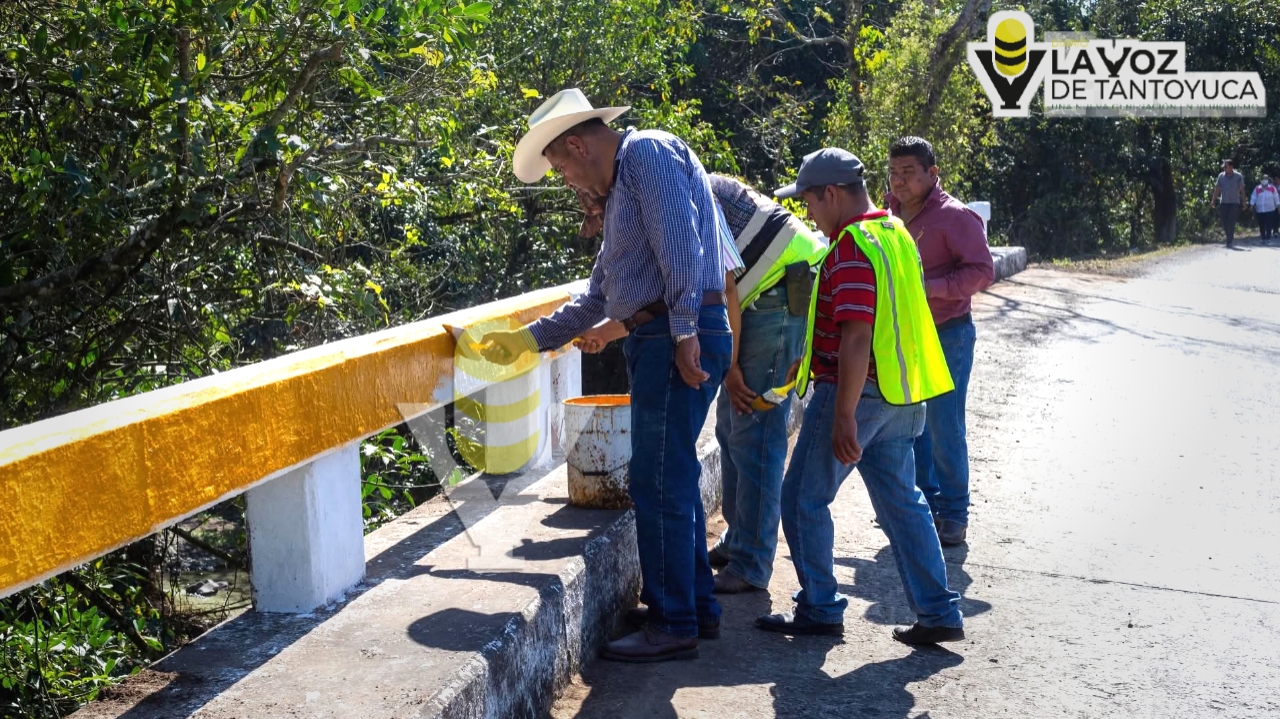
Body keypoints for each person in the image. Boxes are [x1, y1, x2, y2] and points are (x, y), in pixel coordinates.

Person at [481, 88, 730, 663]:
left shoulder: (646, 153)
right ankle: (694, 606)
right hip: (658, 334)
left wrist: (686, 330)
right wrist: (523, 341)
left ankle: (673, 622)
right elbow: (599, 297)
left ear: (575, 144)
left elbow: (680, 244)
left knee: (655, 478)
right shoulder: (623, 190)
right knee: (670, 474)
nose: (568, 181)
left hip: (673, 333)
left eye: (562, 168)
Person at [577, 175, 826, 596]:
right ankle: (739, 538)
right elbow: (653, 302)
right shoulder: (643, 199)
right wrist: (602, 332)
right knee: (731, 428)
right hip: (757, 291)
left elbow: (722, 287)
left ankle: (752, 561)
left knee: (755, 428)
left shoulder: (663, 197)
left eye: (598, 213)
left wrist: (729, 367)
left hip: (776, 288)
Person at [755, 147, 965, 645]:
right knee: (904, 504)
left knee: (803, 498)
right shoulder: (893, 233)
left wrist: (844, 414)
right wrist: (808, 360)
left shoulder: (850, 245)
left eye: (809, 202)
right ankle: (939, 612)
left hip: (858, 395)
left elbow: (856, 334)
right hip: (901, 394)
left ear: (831, 194)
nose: (808, 214)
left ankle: (820, 607)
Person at [886, 137, 993, 547]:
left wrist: (928, 288)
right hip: (905, 334)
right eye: (894, 173)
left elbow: (982, 271)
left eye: (908, 173)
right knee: (912, 425)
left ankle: (954, 513)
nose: (899, 182)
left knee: (945, 424)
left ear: (933, 174)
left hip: (949, 333)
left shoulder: (955, 218)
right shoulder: (888, 213)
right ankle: (926, 505)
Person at [1212, 160, 1248, 247]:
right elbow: (1217, 189)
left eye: (1226, 167)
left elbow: (1242, 190)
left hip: (1234, 202)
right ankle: (1229, 236)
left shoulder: (1238, 176)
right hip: (1224, 202)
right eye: (1223, 167)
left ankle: (1229, 241)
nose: (1224, 168)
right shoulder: (1221, 176)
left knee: (1231, 222)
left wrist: (1244, 202)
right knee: (1224, 221)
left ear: (1231, 167)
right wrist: (1213, 200)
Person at [1250, 174, 1278, 241]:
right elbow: (1253, 197)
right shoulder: (1257, 188)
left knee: (1269, 224)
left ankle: (1268, 238)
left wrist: (1278, 206)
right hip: (1260, 210)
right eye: (1263, 179)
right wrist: (1251, 205)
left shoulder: (1272, 188)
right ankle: (1263, 238)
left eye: (1265, 179)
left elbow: (1276, 197)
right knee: (1261, 224)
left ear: (1268, 180)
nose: (1264, 180)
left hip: (1270, 209)